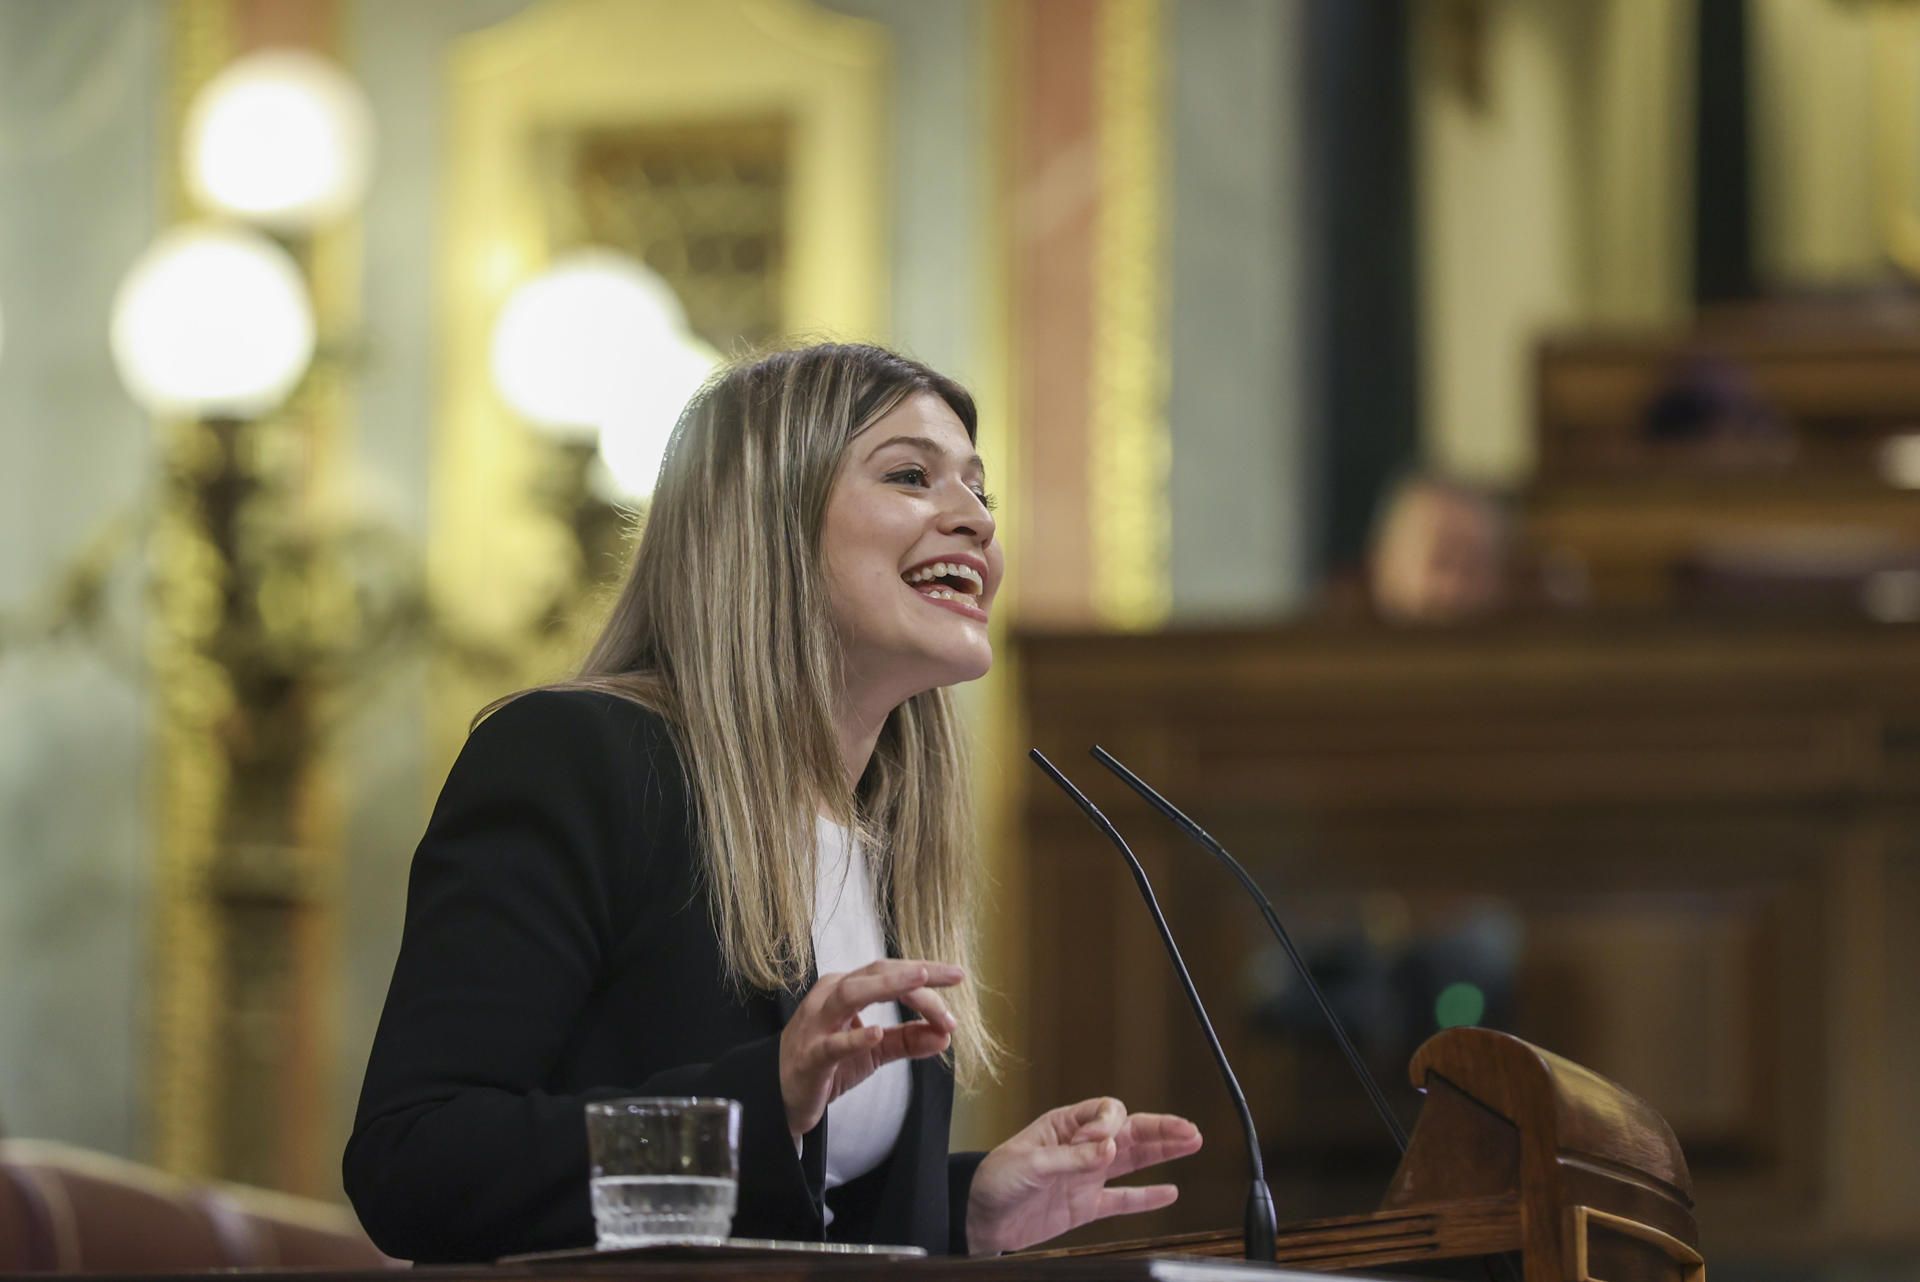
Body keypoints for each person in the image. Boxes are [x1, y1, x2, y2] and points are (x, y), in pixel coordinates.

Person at [343, 343, 1202, 1263]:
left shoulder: (888, 834)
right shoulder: (579, 759)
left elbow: (804, 1212)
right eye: (912, 476)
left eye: (980, 493)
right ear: (766, 521)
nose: (977, 523)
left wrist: (965, 1210)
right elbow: (417, 1160)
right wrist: (754, 1106)